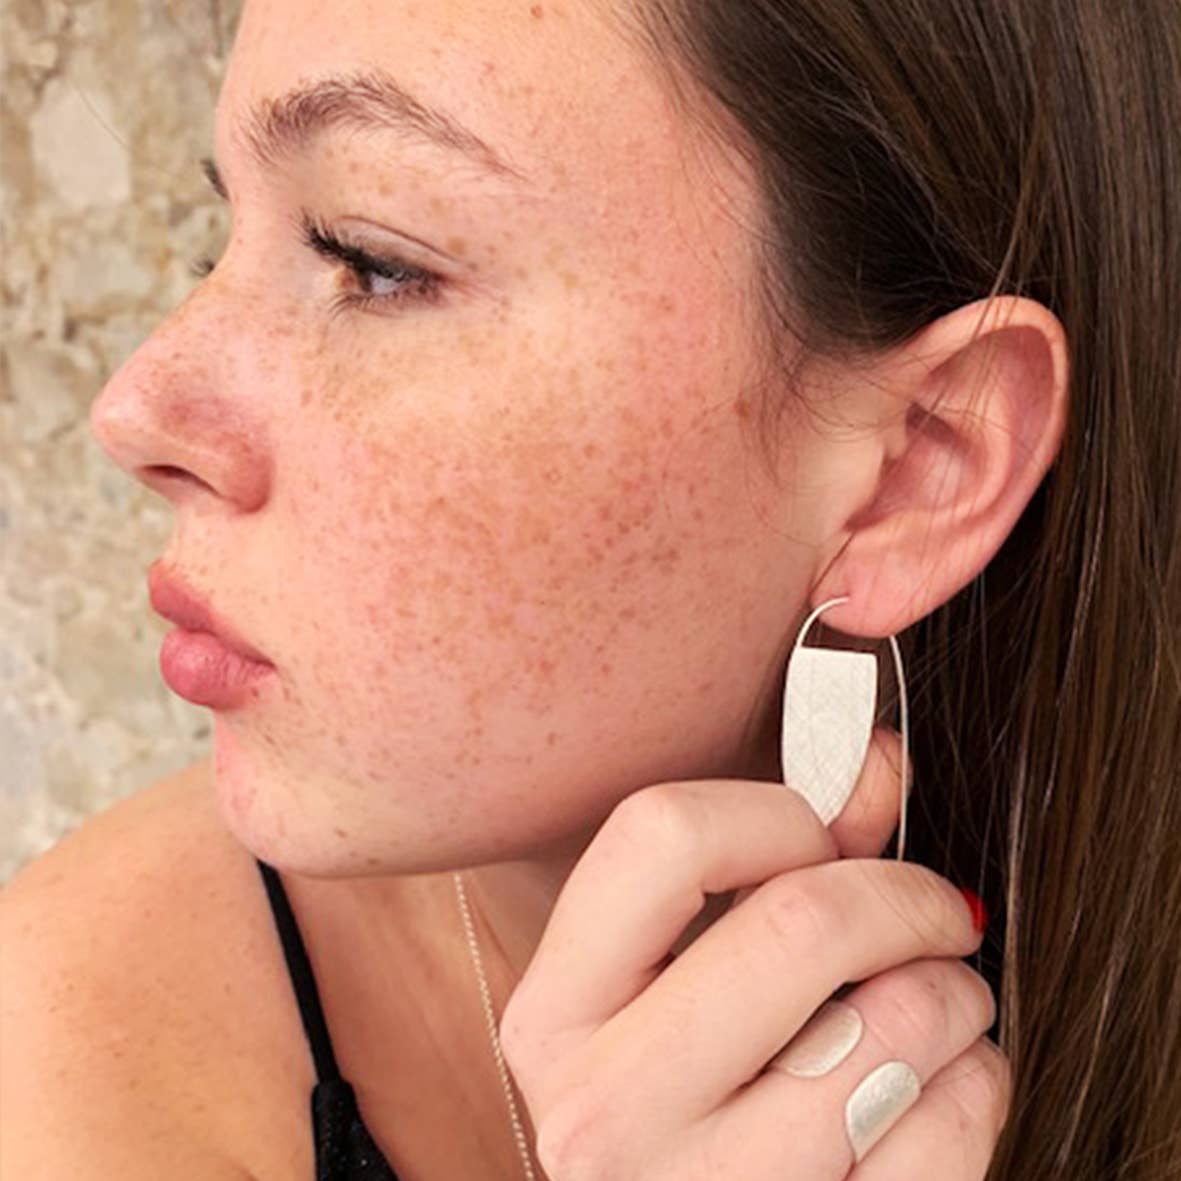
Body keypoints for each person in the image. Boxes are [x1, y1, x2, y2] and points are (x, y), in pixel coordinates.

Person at [2, 1, 1178, 1178]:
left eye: (372, 260)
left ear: (917, 467)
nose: (134, 411)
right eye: (224, 235)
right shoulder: (75, 1071)